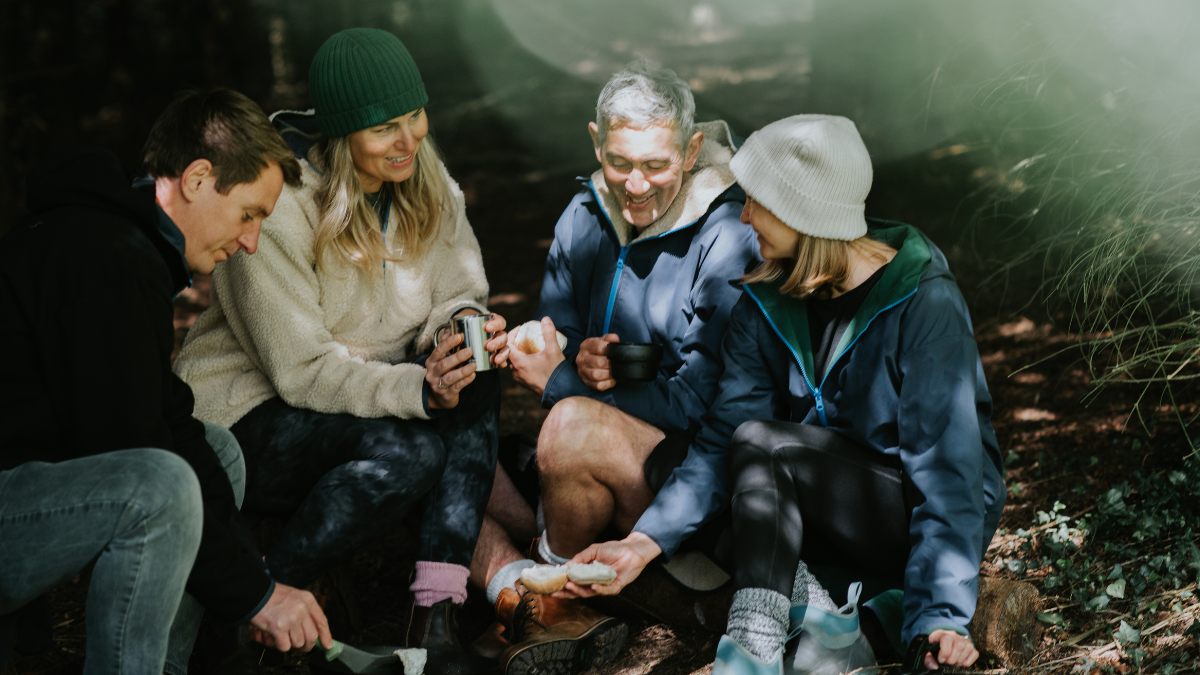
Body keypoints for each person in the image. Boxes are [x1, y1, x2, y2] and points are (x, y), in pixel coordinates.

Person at [573, 114, 1005, 674]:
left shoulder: (923, 303)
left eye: (757, 201)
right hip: (815, 500)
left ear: (806, 212)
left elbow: (949, 476)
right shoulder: (768, 294)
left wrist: (938, 618)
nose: (743, 214)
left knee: (763, 446)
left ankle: (754, 650)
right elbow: (725, 437)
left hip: (902, 509)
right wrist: (644, 542)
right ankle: (829, 620)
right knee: (681, 460)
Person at [173, 28, 507, 675]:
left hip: (357, 396)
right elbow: (301, 371)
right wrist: (417, 389)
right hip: (248, 414)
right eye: (384, 128)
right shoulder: (278, 203)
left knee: (479, 376)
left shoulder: (420, 170)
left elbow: (458, 284)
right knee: (408, 450)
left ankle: (432, 624)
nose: (408, 139)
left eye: (415, 116)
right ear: (342, 134)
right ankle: (250, 611)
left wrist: (462, 325)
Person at [0, 88, 332, 675]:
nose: (251, 241)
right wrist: (256, 599)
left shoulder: (123, 248)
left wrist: (253, 583)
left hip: (26, 488)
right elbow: (127, 443)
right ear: (198, 179)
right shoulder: (101, 255)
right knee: (159, 487)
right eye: (249, 214)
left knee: (215, 451)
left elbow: (167, 423)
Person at [469, 59, 759, 673]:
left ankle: (551, 610)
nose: (636, 184)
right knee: (443, 448)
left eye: (658, 164)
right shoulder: (584, 214)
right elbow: (562, 330)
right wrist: (568, 352)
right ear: (596, 141)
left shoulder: (729, 233)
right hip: (593, 459)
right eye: (619, 161)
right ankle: (536, 579)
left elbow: (701, 405)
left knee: (571, 425)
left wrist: (561, 382)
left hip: (685, 480)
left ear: (693, 147)